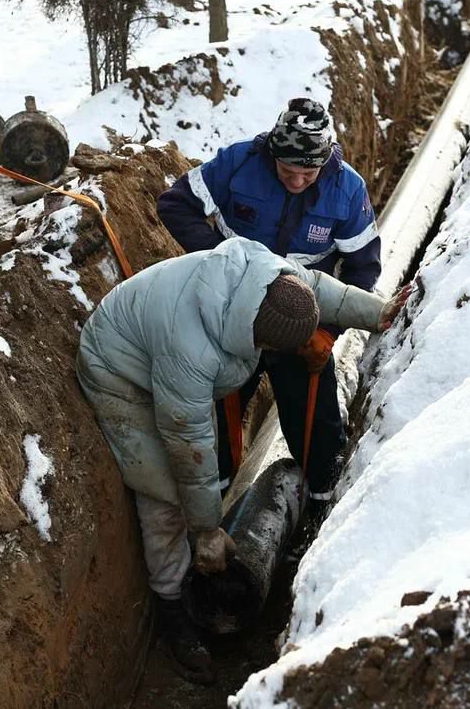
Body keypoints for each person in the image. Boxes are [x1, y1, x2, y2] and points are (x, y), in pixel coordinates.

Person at [77, 237, 407, 684]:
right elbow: (187, 443)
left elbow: (323, 292)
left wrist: (379, 312)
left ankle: (201, 550)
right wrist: (207, 529)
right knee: (163, 494)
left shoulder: (275, 281)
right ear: (258, 337)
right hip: (119, 372)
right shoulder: (190, 350)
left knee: (195, 482)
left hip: (159, 353)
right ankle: (173, 605)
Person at [156, 97, 381, 514]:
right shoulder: (240, 162)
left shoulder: (346, 189)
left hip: (299, 318)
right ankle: (214, 505)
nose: (296, 181)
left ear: (326, 160)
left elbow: (362, 269)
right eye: (286, 171)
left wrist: (328, 332)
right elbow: (174, 203)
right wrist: (224, 261)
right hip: (231, 316)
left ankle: (318, 509)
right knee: (217, 414)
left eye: (307, 173)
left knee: (317, 423)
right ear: (271, 155)